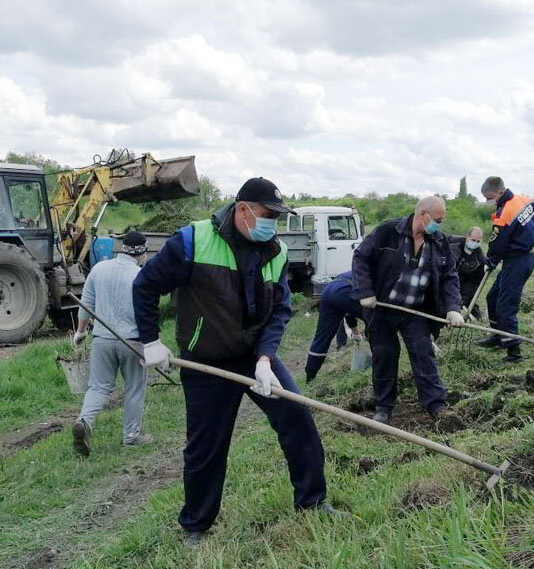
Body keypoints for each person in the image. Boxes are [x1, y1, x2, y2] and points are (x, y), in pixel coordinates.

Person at [133, 177, 343, 546]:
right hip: (206, 360)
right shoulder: (193, 240)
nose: (272, 224)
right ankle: (196, 525)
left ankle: (312, 500)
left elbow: (279, 309)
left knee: (297, 419)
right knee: (206, 445)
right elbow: (146, 286)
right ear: (243, 209)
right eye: (267, 215)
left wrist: (265, 358)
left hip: (253, 358)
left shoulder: (275, 252)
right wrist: (150, 341)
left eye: (277, 218)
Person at [351, 196, 465, 425]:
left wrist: (452, 308)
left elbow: (449, 276)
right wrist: (364, 291)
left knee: (423, 354)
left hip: (415, 310)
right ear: (423, 214)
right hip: (382, 308)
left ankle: (436, 405)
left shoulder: (439, 241)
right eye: (438, 220)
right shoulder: (386, 232)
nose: (439, 225)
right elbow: (361, 257)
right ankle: (383, 406)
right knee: (384, 355)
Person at [71, 231, 151, 456]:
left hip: (102, 341)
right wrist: (151, 345)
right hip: (131, 342)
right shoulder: (140, 276)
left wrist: (80, 331)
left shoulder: (99, 269)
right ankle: (131, 437)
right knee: (134, 388)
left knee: (98, 386)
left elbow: (86, 304)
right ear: (142, 252)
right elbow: (146, 314)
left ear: (122, 248)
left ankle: (84, 421)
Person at [479, 177, 534, 362]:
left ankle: (513, 351)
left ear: (499, 192)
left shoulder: (504, 214)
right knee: (492, 297)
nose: (488, 202)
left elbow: (497, 244)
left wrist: (490, 260)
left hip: (518, 261)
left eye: (489, 197)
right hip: (518, 259)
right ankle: (497, 336)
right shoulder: (524, 200)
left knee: (505, 305)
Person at [304, 271, 364, 382]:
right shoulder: (370, 276)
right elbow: (353, 311)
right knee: (376, 322)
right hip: (344, 290)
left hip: (328, 290)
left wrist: (356, 335)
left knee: (321, 338)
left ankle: (309, 378)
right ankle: (378, 365)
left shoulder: (354, 270)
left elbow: (349, 313)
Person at [448, 226, 487, 320]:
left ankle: (476, 316)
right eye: (473, 240)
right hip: (446, 276)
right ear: (467, 237)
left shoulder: (480, 260)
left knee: (466, 302)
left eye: (478, 242)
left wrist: (463, 297)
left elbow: (473, 283)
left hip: (462, 283)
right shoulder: (451, 242)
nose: (475, 243)